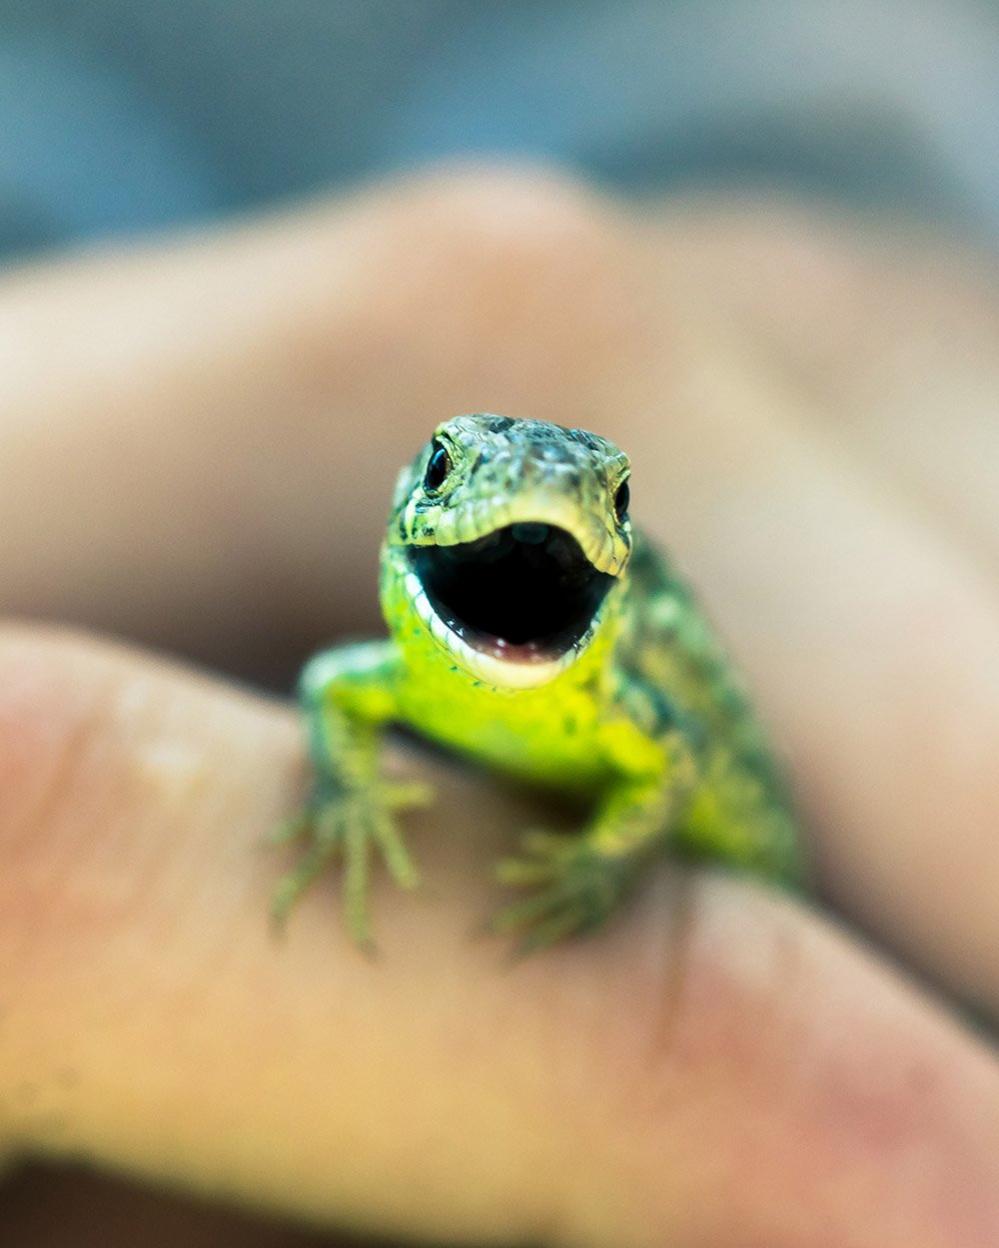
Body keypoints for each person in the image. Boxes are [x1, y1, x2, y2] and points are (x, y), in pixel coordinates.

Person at [1, 167, 998, 1247]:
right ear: (400, 518)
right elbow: (336, 694)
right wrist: (347, 801)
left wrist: (601, 864)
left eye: (600, 501)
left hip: (797, 887)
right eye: (448, 472)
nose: (539, 504)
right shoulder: (379, 676)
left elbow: (666, 768)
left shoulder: (625, 702)